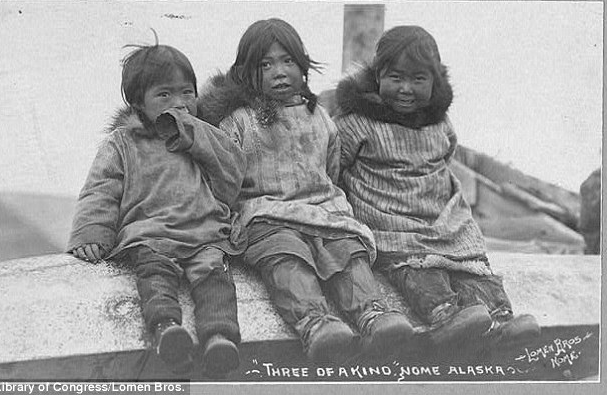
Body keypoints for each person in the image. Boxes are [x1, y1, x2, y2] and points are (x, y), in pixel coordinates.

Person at [197, 18, 414, 364]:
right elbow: (224, 177)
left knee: (347, 253)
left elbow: (330, 169)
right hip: (267, 215)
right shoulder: (239, 120)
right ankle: (315, 322)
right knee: (287, 258)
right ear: (246, 72)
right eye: (265, 65)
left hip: (323, 210)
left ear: (303, 64)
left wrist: (329, 204)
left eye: (288, 61)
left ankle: (373, 314)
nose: (279, 72)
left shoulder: (319, 117)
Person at [333, 25, 540, 350]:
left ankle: (500, 320)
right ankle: (446, 318)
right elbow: (332, 167)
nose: (406, 88)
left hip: (443, 220)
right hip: (392, 222)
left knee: (473, 270)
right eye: (396, 77)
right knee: (420, 271)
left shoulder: (439, 123)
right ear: (377, 76)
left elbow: (445, 157)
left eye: (419, 79)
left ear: (435, 81)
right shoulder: (356, 123)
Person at [67, 42, 246, 376]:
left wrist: (195, 135)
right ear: (139, 102)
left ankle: (219, 337)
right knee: (154, 275)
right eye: (164, 95)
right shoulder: (123, 142)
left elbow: (232, 173)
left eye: (186, 93)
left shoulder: (203, 135)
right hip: (150, 234)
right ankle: (167, 329)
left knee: (215, 278)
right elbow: (101, 189)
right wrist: (92, 231)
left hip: (204, 232)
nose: (179, 103)